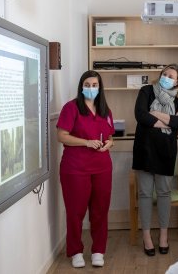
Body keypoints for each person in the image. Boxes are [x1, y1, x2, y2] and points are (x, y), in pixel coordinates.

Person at [57, 70, 115, 268]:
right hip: (75, 169)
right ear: (81, 86)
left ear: (100, 88)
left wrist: (109, 143)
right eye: (87, 85)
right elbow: (62, 136)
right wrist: (86, 143)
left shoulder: (105, 110)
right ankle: (75, 251)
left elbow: (110, 136)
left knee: (100, 211)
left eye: (95, 85)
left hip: (102, 168)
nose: (91, 88)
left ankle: (98, 250)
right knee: (75, 211)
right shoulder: (71, 108)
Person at [132, 64, 178, 256]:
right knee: (145, 193)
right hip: (144, 149)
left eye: (170, 75)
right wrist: (168, 121)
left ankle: (163, 236)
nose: (166, 77)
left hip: (166, 151)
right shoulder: (147, 90)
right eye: (164, 74)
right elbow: (140, 115)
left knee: (164, 192)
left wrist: (156, 114)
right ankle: (146, 236)